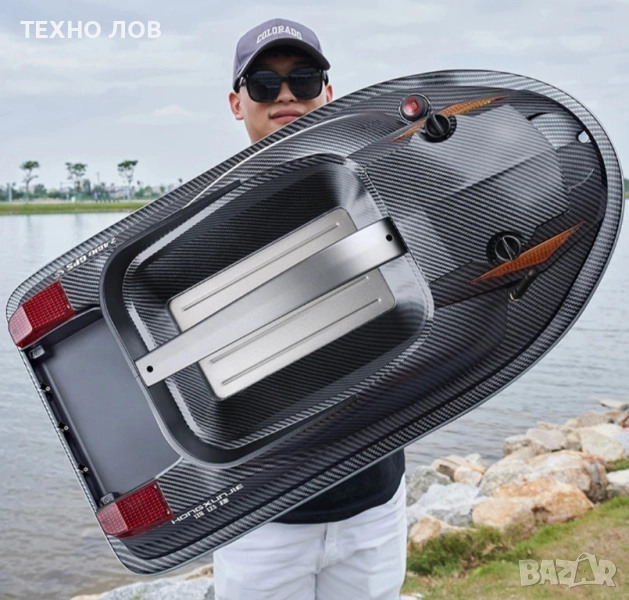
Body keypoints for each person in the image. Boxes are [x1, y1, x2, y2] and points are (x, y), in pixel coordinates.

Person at [215, 18, 407, 600]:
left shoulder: (381, 190)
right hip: (261, 516)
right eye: (264, 84)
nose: (286, 96)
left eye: (303, 79)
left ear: (328, 92)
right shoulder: (205, 223)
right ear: (237, 102)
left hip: (375, 499)